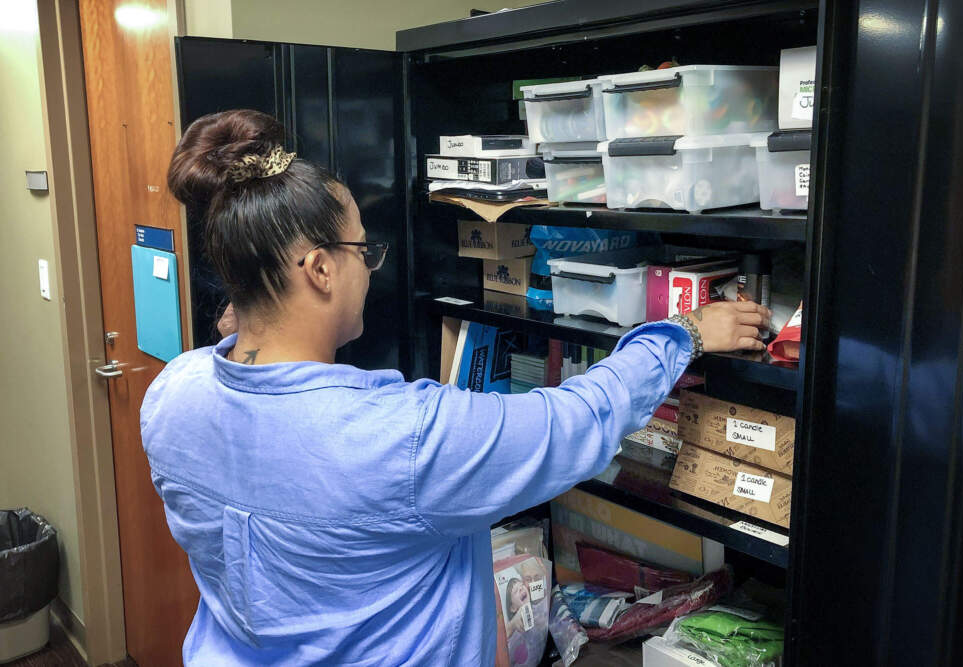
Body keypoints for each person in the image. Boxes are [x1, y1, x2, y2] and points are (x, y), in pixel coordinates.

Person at [141, 109, 771, 666]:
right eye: (364, 249)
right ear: (321, 269)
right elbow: (579, 417)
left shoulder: (173, 395)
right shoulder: (401, 437)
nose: (370, 265)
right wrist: (683, 330)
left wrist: (245, 317)